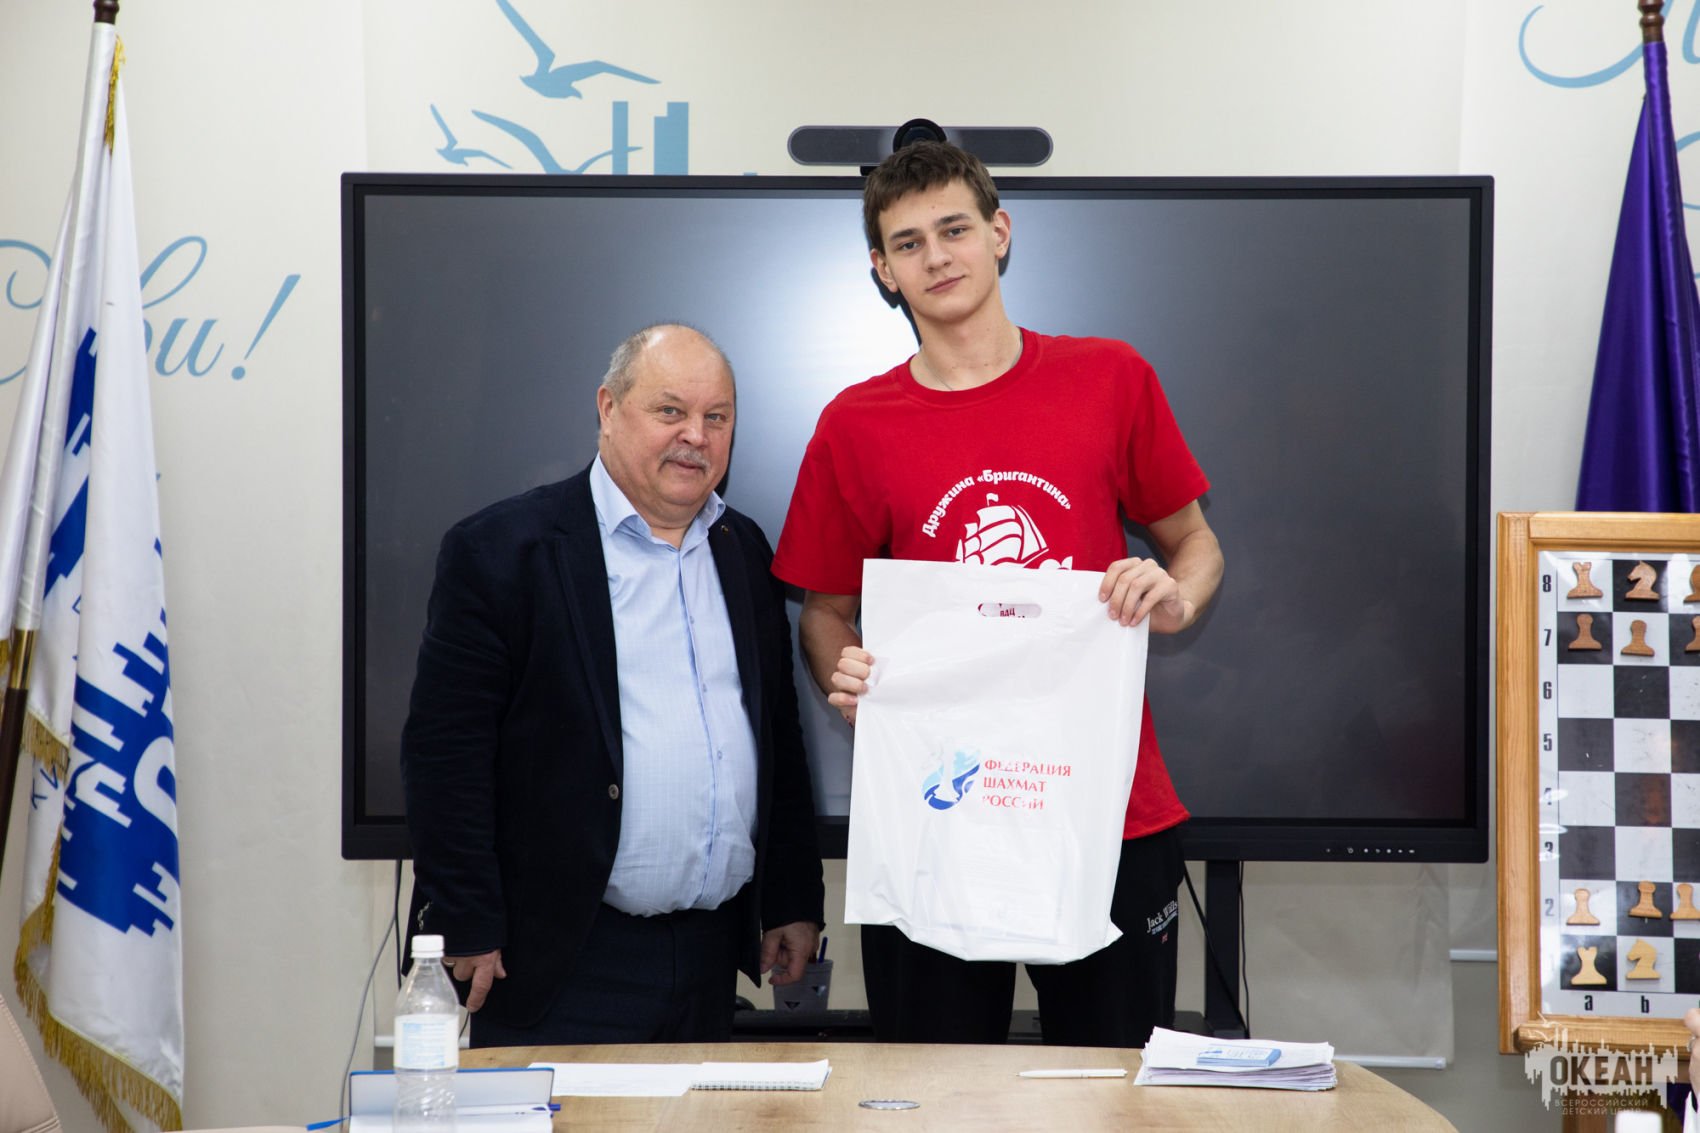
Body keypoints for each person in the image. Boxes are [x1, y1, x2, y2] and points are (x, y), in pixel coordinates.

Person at [772, 141, 1225, 1047]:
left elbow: (1196, 543)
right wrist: (849, 677)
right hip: (935, 816)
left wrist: (1173, 595)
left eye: (954, 230)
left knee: (1115, 1093)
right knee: (932, 1095)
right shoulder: (854, 424)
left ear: (999, 233)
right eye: (908, 243)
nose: (936, 257)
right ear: (883, 270)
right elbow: (824, 612)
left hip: (1105, 810)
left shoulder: (1110, 378)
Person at [402, 323, 824, 1047]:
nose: (695, 436)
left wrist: (790, 897)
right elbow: (446, 753)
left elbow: (775, 737)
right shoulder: (503, 551)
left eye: (716, 417)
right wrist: (464, 917)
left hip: (709, 956)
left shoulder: (744, 550)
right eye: (670, 411)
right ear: (607, 408)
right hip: (559, 959)